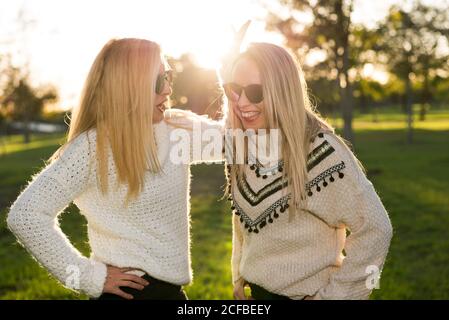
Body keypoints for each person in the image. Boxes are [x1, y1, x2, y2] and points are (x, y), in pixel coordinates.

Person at [6, 38, 223, 300]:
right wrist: (87, 277)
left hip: (171, 294)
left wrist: (232, 78)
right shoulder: (91, 148)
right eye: (157, 82)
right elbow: (26, 216)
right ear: (129, 88)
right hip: (124, 293)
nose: (167, 90)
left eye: (168, 76)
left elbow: (244, 143)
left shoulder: (176, 131)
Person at [223, 42, 393, 300]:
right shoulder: (243, 145)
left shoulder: (322, 152)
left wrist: (339, 296)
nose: (241, 102)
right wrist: (240, 273)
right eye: (234, 90)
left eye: (255, 92)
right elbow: (242, 220)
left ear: (283, 91)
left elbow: (378, 229)